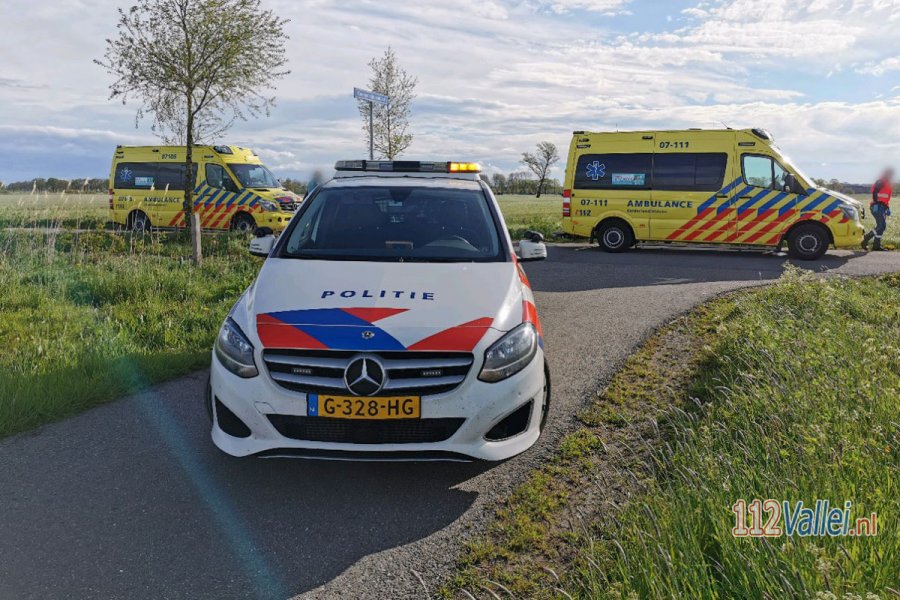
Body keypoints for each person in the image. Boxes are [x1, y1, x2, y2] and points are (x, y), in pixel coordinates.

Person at [862, 168, 894, 251]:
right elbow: (875, 192)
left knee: (882, 227)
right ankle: (865, 238)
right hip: (877, 206)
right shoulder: (881, 181)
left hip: (882, 207)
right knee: (881, 226)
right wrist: (876, 204)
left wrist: (887, 207)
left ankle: (876, 246)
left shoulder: (887, 183)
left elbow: (885, 198)